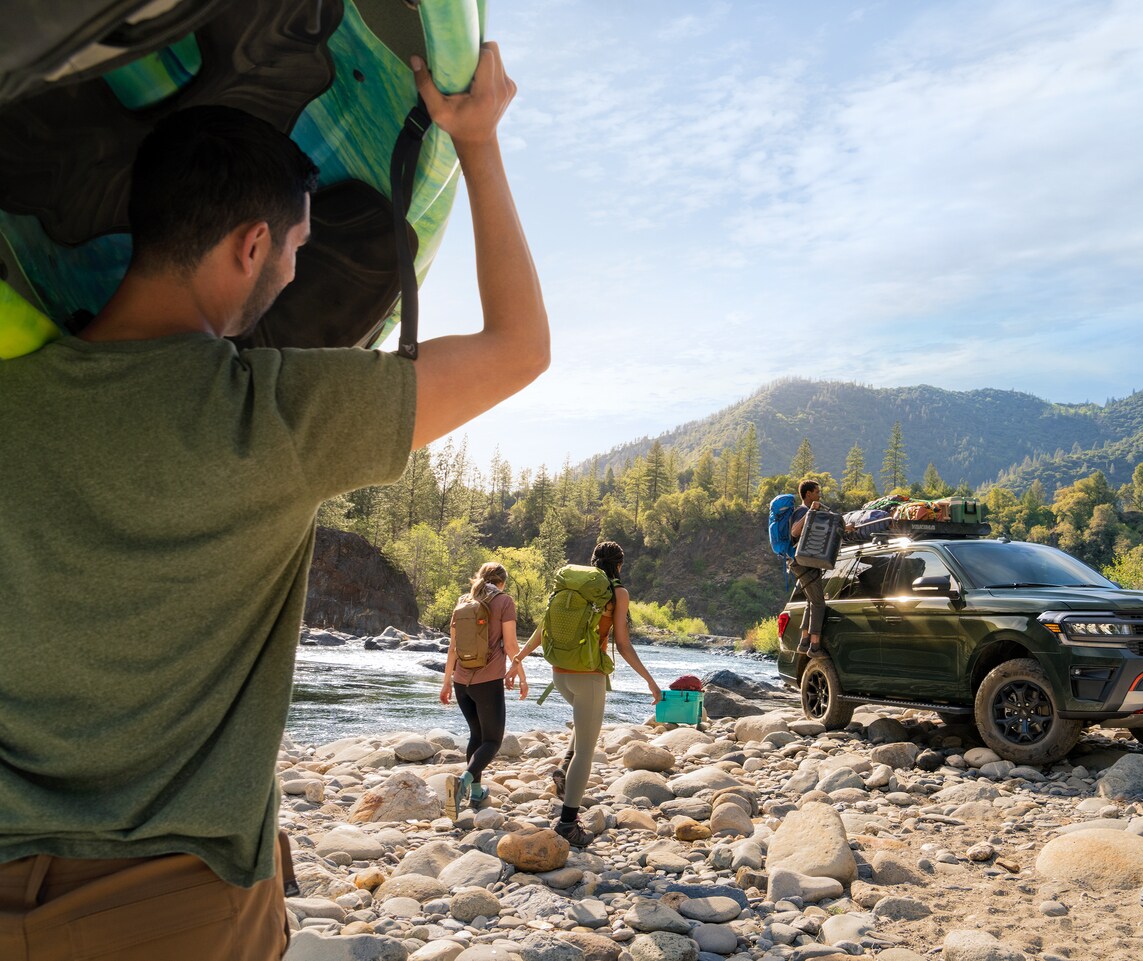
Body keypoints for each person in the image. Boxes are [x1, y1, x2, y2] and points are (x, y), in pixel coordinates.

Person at [0, 45, 546, 960]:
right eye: (295, 249)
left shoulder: (11, 403)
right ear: (251, 244)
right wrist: (479, 142)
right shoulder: (276, 412)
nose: (294, 274)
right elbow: (519, 346)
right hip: (172, 910)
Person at [506, 541, 663, 848]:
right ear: (619, 565)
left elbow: (543, 627)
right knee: (586, 751)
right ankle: (568, 824)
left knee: (583, 726)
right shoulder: (617, 593)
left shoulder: (572, 588)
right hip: (588, 677)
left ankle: (564, 770)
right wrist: (650, 681)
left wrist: (519, 658)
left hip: (560, 674)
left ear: (593, 562)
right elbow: (623, 644)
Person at [439, 562, 527, 817]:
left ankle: (476, 793)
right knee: (492, 740)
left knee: (476, 736)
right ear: (502, 582)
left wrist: (446, 682)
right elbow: (511, 646)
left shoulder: (463, 601)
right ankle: (463, 782)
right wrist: (521, 676)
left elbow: (453, 647)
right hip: (488, 682)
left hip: (461, 682)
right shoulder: (504, 601)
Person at [790, 479, 829, 655]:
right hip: (803, 563)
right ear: (808, 494)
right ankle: (815, 646)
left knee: (811, 601)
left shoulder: (807, 511)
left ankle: (804, 642)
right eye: (817, 492)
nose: (819, 495)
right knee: (819, 603)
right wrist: (811, 511)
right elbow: (794, 531)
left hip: (804, 562)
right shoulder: (802, 510)